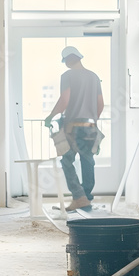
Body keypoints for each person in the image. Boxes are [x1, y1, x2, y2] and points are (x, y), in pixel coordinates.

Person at [45, 46, 104, 212]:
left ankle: (79, 197)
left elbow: (65, 99)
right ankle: (85, 197)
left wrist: (50, 116)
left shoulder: (67, 76)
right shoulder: (94, 77)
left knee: (66, 160)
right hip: (90, 125)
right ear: (79, 57)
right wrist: (92, 119)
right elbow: (100, 103)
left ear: (68, 60)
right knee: (87, 161)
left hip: (73, 126)